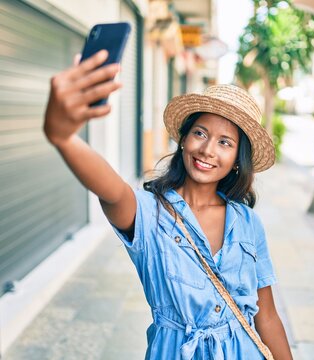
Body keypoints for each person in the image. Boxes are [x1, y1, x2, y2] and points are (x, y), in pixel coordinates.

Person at [44, 50, 293, 360]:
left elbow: (266, 316)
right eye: (199, 133)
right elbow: (112, 191)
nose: (207, 150)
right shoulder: (149, 212)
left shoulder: (247, 221)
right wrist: (64, 137)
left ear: (237, 161)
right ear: (184, 139)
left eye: (225, 142)